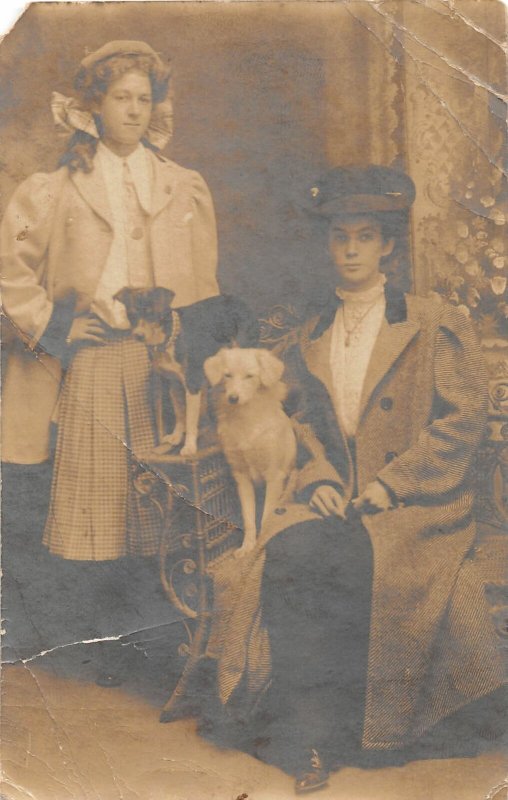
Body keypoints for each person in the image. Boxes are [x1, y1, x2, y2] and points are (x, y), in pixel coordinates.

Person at [212, 166, 504, 793]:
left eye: (365, 237)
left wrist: (393, 484)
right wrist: (316, 473)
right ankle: (304, 734)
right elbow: (298, 417)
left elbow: (465, 417)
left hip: (416, 506)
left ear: (388, 247)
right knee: (288, 553)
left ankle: (334, 737)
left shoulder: (427, 321)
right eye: (340, 237)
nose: (350, 250)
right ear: (328, 245)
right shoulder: (312, 331)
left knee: (348, 562)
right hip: (339, 495)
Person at [1, 40, 219, 681]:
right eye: (119, 97)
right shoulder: (54, 188)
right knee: (97, 508)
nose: (131, 110)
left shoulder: (182, 186)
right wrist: (65, 324)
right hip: (85, 365)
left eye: (142, 98)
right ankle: (87, 645)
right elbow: (10, 279)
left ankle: (150, 643)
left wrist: (178, 334)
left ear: (156, 107)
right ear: (92, 106)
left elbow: (204, 288)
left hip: (159, 370)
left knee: (158, 506)